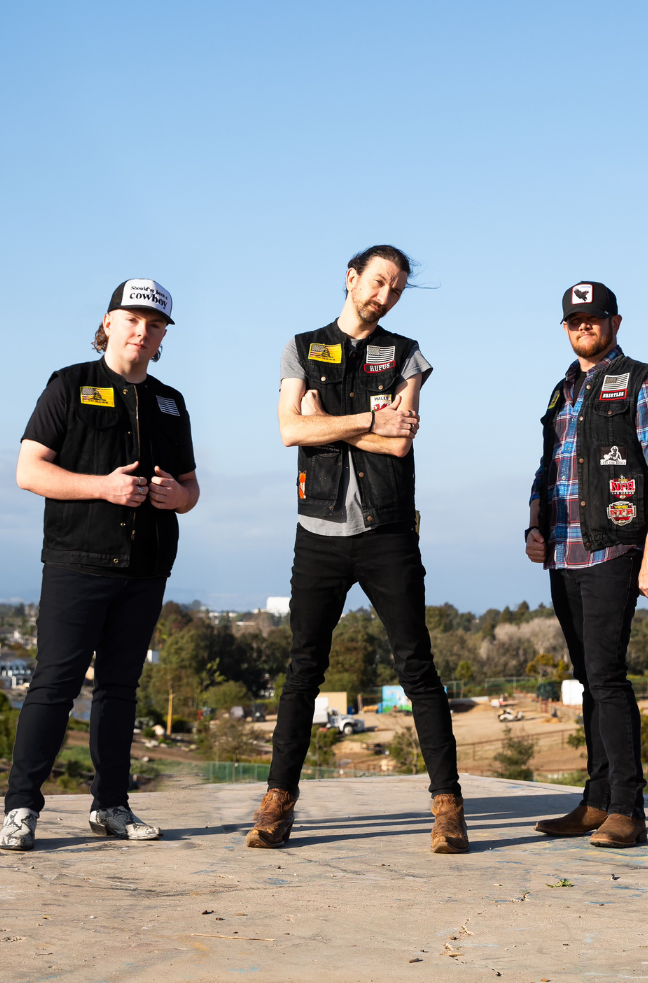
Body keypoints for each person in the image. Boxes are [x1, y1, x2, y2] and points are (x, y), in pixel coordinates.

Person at [247, 245, 467, 854]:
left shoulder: (407, 355)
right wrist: (368, 418)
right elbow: (290, 430)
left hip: (387, 534)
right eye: (377, 281)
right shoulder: (301, 346)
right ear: (351, 278)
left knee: (416, 668)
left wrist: (330, 417)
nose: (385, 294)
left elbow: (400, 446)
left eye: (396, 288)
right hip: (317, 535)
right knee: (302, 672)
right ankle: (276, 804)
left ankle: (448, 807)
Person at [0, 279, 199, 852]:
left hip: (145, 567)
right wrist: (103, 489)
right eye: (132, 319)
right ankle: (20, 809)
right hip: (77, 562)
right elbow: (29, 471)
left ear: (162, 337)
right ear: (108, 322)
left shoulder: (170, 401)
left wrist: (176, 499)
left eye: (154, 325)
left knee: (119, 690)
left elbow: (191, 487)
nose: (143, 331)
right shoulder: (69, 385)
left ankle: (110, 805)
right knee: (53, 686)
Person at [526, 281, 648, 848]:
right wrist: (534, 525)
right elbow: (547, 469)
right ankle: (594, 802)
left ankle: (627, 809)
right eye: (574, 321)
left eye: (593, 319)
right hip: (563, 555)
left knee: (609, 679)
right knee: (588, 680)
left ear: (615, 323)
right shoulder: (560, 392)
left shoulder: (647, 382)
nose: (583, 327)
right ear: (565, 328)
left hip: (614, 550)